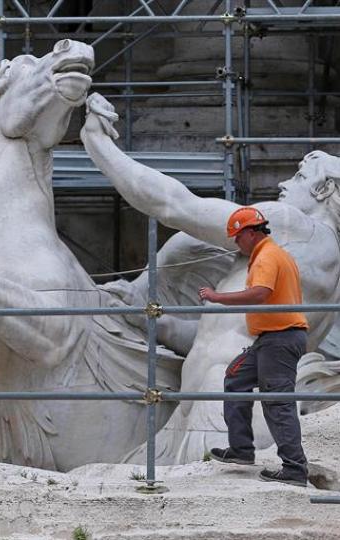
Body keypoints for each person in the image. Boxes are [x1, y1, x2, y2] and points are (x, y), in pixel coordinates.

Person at [80, 93, 340, 465]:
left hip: (221, 400)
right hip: (214, 398)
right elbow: (225, 335)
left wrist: (97, 143)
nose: (285, 183)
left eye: (300, 176)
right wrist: (163, 324)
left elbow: (176, 206)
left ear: (323, 189)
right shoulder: (326, 271)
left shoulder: (291, 224)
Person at [199, 206, 308, 487]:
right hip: (271, 339)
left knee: (277, 402)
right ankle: (242, 450)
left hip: (279, 339)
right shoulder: (273, 254)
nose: (236, 243)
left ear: (250, 233)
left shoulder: (267, 257)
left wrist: (218, 297)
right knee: (235, 379)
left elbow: (261, 293)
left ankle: (294, 469)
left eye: (237, 237)